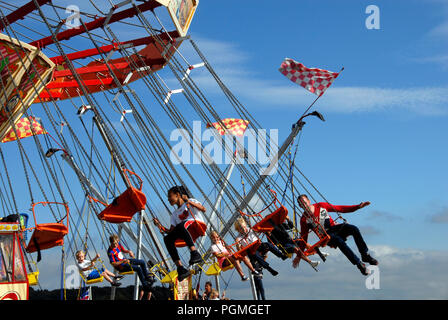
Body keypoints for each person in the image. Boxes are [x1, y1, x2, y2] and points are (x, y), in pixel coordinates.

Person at [297, 194, 378, 275]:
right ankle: (359, 264)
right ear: (300, 206)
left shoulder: (321, 206)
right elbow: (304, 239)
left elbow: (340, 208)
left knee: (353, 228)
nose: (304, 205)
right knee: (338, 240)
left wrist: (357, 207)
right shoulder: (304, 219)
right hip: (326, 237)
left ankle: (365, 255)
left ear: (309, 201)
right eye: (301, 204)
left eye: (304, 202)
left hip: (335, 228)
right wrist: (299, 255)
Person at [153, 186, 206, 282]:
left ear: (177, 195)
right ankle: (180, 268)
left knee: (181, 225)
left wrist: (188, 201)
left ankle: (194, 253)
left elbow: (203, 209)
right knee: (167, 239)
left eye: (170, 196)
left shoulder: (189, 202)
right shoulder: (174, 214)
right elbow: (171, 231)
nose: (168, 199)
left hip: (195, 224)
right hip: (185, 231)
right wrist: (159, 225)